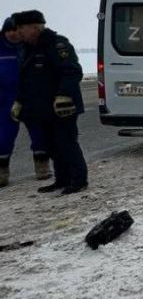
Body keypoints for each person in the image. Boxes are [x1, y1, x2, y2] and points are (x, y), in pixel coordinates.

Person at [10, 10, 87, 194]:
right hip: (42, 109)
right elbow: (26, 80)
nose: (19, 32)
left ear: (35, 27)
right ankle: (62, 179)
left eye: (22, 28)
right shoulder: (28, 49)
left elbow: (72, 71)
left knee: (66, 143)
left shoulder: (57, 44)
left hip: (62, 108)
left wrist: (64, 95)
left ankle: (79, 180)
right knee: (51, 145)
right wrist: (19, 101)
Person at [1, 17, 51, 187]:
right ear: (4, 31)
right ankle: (2, 172)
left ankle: (42, 167)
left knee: (39, 134)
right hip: (4, 101)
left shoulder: (30, 47)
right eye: (10, 30)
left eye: (17, 30)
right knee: (4, 137)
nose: (14, 34)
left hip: (30, 100)